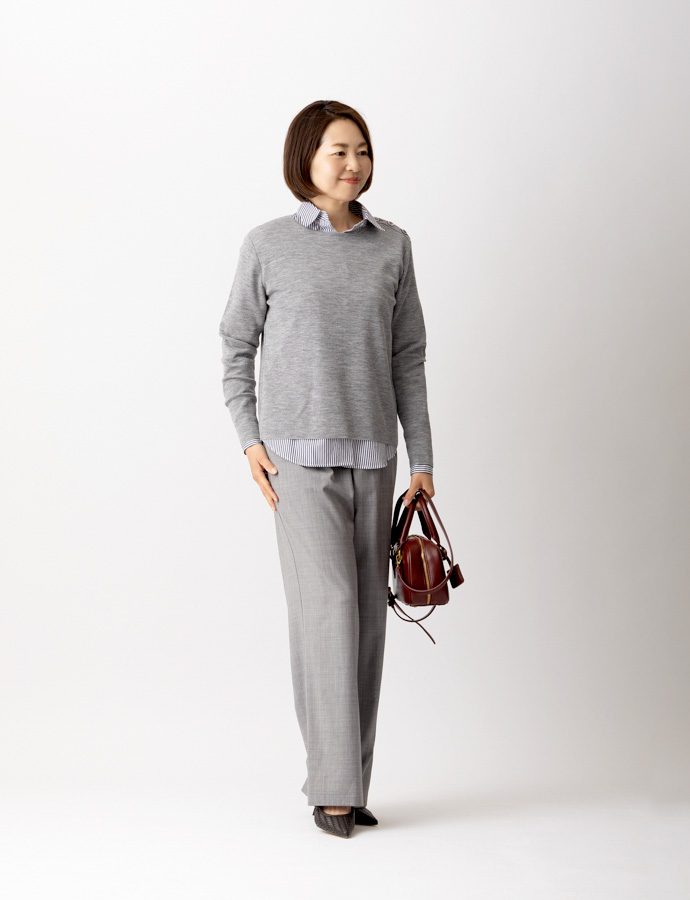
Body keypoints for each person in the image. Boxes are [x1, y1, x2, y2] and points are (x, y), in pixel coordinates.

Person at [218, 99, 435, 838]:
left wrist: (422, 459)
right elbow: (235, 345)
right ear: (306, 156)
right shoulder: (268, 244)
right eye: (339, 150)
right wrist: (250, 439)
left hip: (374, 455)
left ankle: (349, 782)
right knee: (330, 609)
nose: (353, 164)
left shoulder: (392, 245)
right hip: (295, 462)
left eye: (362, 151)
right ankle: (332, 790)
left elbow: (408, 356)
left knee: (367, 619)